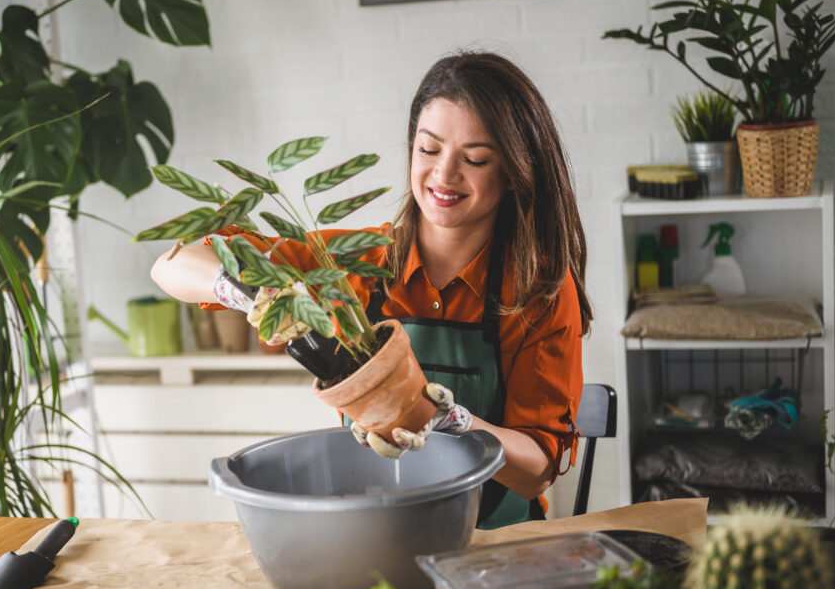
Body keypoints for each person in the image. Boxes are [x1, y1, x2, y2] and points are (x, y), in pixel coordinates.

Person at [151, 51, 592, 529]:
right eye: (429, 150)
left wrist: (446, 421)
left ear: (512, 172)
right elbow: (171, 265)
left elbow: (536, 473)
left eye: (475, 158)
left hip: (495, 544)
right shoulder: (352, 263)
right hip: (370, 532)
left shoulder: (538, 289)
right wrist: (250, 295)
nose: (444, 175)